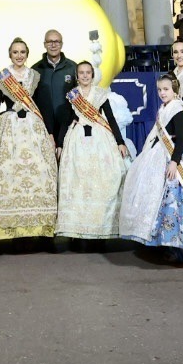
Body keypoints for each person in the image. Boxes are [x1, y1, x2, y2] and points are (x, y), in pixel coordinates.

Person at [118, 74, 183, 257]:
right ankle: (163, 241)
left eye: (166, 89)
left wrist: (174, 162)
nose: (162, 93)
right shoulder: (165, 107)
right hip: (162, 153)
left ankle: (181, 246)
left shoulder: (177, 109)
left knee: (175, 200)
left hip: (176, 157)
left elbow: (180, 139)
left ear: (174, 90)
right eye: (160, 90)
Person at [0, 38, 59, 240]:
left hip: (34, 127)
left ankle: (39, 226)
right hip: (10, 129)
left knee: (41, 172)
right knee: (8, 173)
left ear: (27, 54)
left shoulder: (35, 76)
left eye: (22, 52)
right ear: (10, 54)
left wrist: (50, 133)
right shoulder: (2, 77)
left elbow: (45, 105)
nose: (19, 56)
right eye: (15, 52)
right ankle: (9, 229)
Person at [54, 60, 132, 241]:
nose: (85, 75)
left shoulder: (101, 94)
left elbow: (110, 119)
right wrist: (59, 144)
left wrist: (120, 142)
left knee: (102, 181)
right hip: (77, 142)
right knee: (77, 183)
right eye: (81, 72)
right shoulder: (72, 95)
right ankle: (76, 231)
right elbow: (65, 121)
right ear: (76, 76)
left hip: (100, 141)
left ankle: (100, 229)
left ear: (92, 74)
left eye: (88, 72)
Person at [29, 29, 78, 132]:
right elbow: (31, 100)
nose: (53, 45)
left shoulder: (73, 67)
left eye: (57, 41)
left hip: (68, 126)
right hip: (43, 127)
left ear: (61, 44)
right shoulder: (35, 70)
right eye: (50, 42)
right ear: (44, 44)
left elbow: (81, 96)